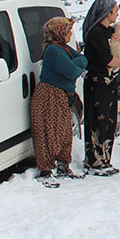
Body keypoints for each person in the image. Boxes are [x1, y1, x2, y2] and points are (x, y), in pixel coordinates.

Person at [30, 17, 87, 184]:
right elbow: (72, 71)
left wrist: (76, 63)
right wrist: (76, 64)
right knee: (49, 132)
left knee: (64, 132)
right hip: (50, 95)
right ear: (59, 32)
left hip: (60, 94)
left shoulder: (63, 48)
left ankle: (63, 166)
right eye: (68, 31)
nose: (70, 34)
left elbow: (83, 59)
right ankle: (45, 170)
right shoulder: (54, 50)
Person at [81, 0, 120, 176]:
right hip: (98, 82)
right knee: (97, 120)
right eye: (115, 11)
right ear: (107, 13)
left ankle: (105, 158)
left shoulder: (108, 31)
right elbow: (107, 59)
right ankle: (94, 160)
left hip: (109, 82)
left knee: (109, 121)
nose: (117, 15)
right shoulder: (96, 34)